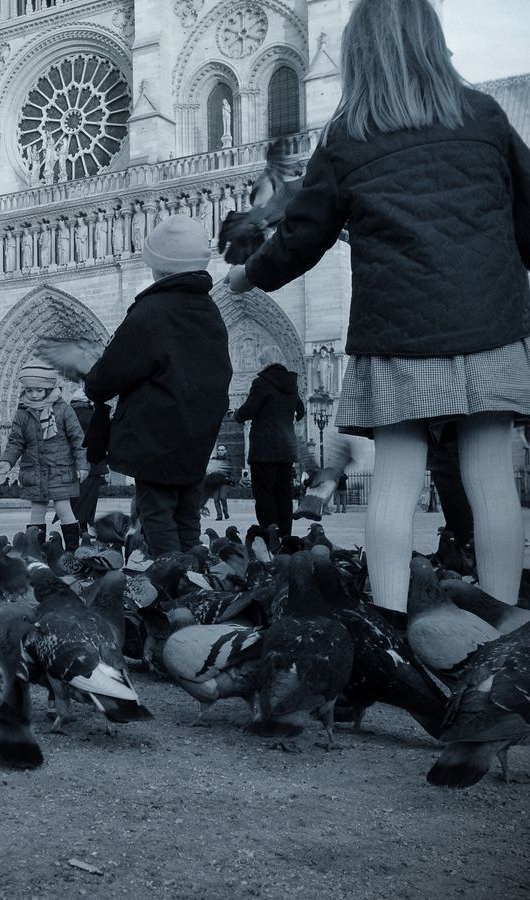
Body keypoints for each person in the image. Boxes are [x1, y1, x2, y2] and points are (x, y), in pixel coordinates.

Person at [228, 0, 530, 612]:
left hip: (399, 336)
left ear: (359, 56)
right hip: (491, 328)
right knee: (494, 484)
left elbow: (302, 237)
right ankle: (502, 637)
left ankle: (390, 623)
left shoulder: (349, 137)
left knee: (394, 483)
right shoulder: (484, 115)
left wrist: (246, 276)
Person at [81, 215, 232, 556]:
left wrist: (93, 386)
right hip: (197, 437)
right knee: (188, 516)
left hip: (156, 437)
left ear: (159, 268)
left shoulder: (151, 312)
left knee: (157, 514)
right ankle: (199, 582)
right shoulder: (210, 311)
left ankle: (172, 584)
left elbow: (111, 371)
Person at [0, 361, 87, 549]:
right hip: (35, 471)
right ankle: (36, 553)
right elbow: (16, 440)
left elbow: (78, 439)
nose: (34, 394)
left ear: (50, 387)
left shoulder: (63, 409)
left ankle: (72, 552)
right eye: (29, 390)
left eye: (39, 390)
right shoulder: (23, 413)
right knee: (36, 513)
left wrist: (82, 465)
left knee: (64, 509)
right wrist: (7, 460)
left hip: (60, 470)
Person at [234, 364, 304, 537]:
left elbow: (249, 410)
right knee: (284, 494)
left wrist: (236, 415)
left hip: (264, 450)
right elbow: (301, 412)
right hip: (286, 450)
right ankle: (285, 535)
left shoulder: (262, 383)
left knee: (265, 493)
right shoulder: (291, 387)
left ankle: (270, 534)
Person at [68, 386, 107, 536]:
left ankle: (74, 525)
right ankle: (83, 527)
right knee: (89, 499)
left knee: (75, 498)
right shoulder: (91, 415)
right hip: (93, 465)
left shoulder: (67, 415)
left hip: (71, 464)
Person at [203, 443, 235, 522]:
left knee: (223, 497)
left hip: (224, 481)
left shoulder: (228, 460)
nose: (220, 451)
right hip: (215, 482)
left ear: (225, 451)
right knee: (216, 499)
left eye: (222, 450)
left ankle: (225, 512)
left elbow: (230, 471)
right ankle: (219, 515)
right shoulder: (213, 460)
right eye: (219, 450)